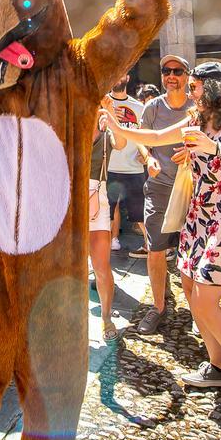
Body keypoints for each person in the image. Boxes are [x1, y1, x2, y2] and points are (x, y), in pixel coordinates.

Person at [108, 61, 221, 414]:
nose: (188, 93)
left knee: (208, 300)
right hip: (199, 214)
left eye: (194, 87)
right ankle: (218, 367)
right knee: (191, 290)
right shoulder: (195, 120)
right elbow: (157, 137)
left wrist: (215, 148)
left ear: (211, 89)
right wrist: (119, 126)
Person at [130, 54, 192, 335]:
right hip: (159, 186)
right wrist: (149, 157)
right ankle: (158, 307)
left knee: (192, 250)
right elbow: (144, 141)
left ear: (187, 75)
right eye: (166, 71)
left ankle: (199, 309)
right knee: (155, 249)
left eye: (177, 71)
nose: (171, 75)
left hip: (192, 187)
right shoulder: (153, 108)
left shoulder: (196, 107)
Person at [89, 101, 127, 341]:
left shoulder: (106, 130)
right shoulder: (69, 124)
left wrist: (110, 111)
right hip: (66, 195)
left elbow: (122, 142)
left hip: (96, 196)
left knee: (102, 266)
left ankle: (106, 318)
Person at [105, 74, 145, 253]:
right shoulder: (101, 104)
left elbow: (146, 135)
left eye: (121, 72)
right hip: (107, 169)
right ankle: (105, 249)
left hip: (134, 169)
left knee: (141, 214)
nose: (116, 77)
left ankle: (154, 249)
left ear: (128, 77)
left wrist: (147, 154)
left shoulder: (139, 107)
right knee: (106, 215)